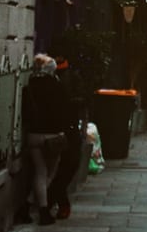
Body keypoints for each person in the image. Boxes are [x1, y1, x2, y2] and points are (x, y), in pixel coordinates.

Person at [22, 54, 72, 226]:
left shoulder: (28, 85)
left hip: (33, 135)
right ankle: (43, 211)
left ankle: (26, 207)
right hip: (53, 135)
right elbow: (66, 110)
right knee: (49, 173)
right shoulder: (57, 86)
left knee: (39, 172)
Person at [47, 54, 85, 220]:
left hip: (66, 128)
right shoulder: (54, 80)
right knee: (64, 167)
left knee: (66, 167)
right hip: (61, 129)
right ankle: (53, 201)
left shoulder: (68, 78)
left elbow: (82, 100)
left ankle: (51, 200)